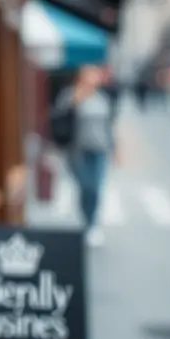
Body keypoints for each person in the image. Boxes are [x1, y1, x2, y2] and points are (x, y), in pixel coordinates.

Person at [51, 64, 120, 247]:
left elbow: (109, 126)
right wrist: (77, 99)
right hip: (77, 150)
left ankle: (92, 223)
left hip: (99, 149)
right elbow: (59, 116)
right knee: (85, 186)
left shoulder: (102, 98)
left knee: (96, 187)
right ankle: (86, 218)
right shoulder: (71, 95)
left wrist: (115, 149)